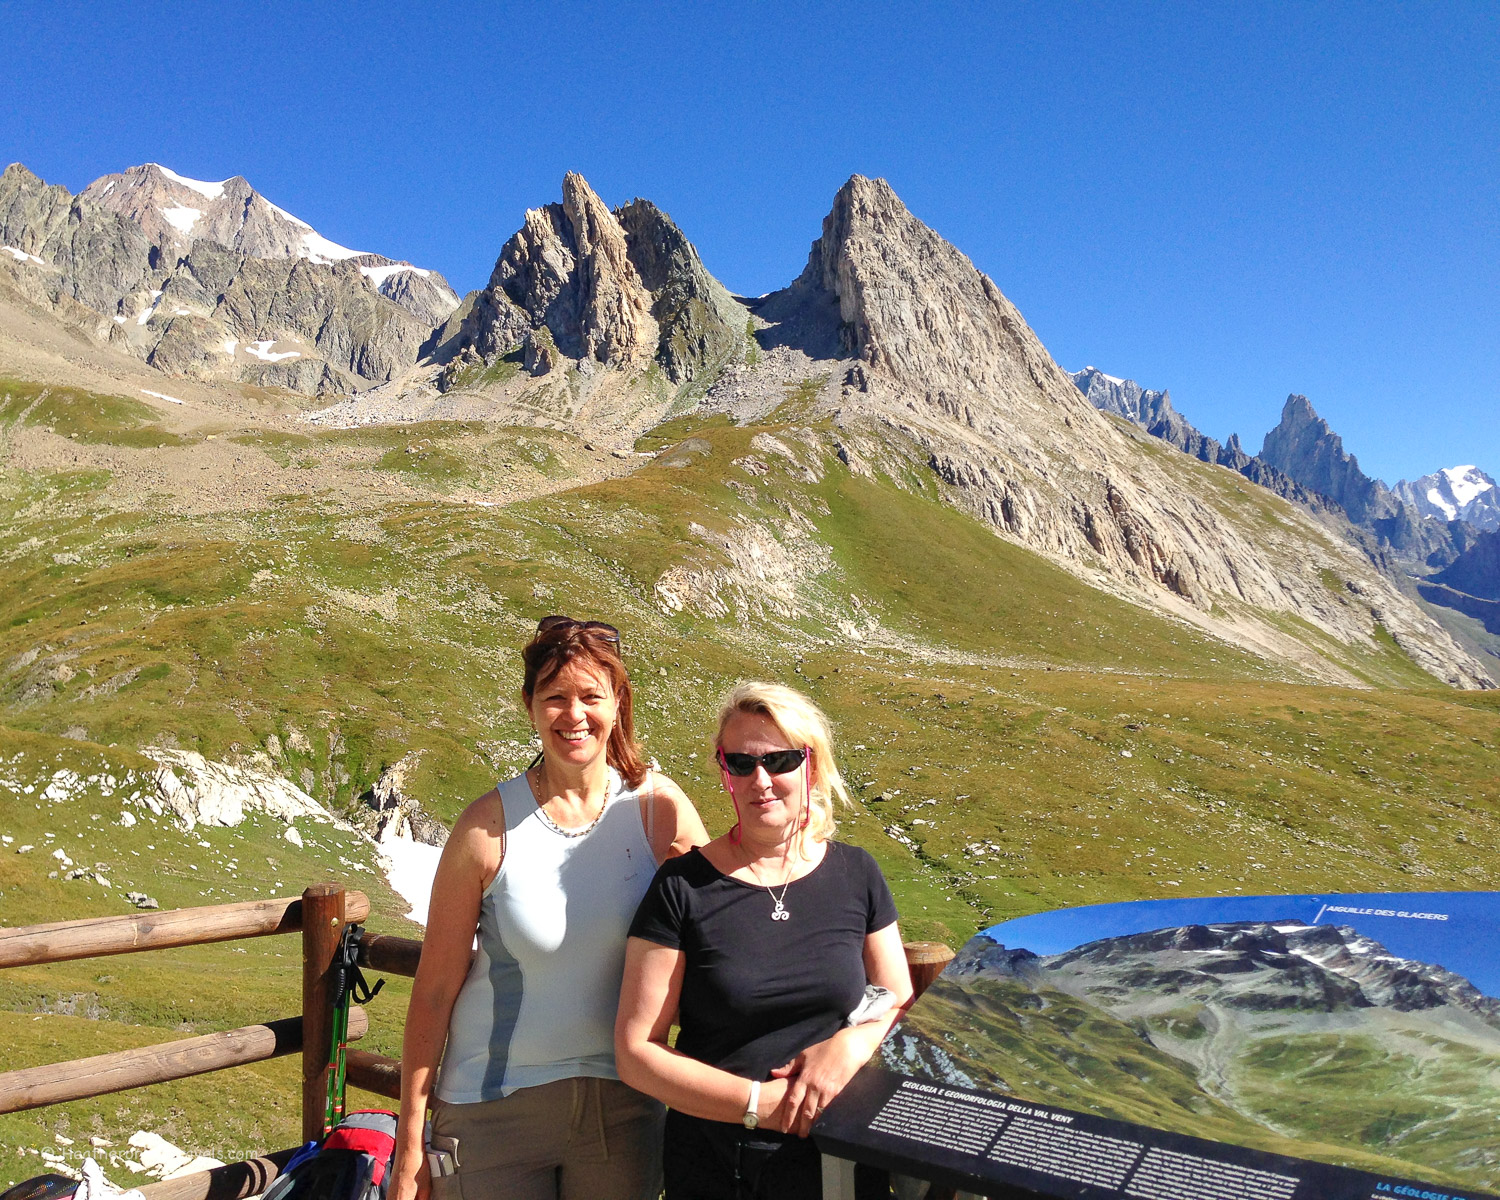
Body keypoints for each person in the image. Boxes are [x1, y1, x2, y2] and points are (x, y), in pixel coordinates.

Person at [389, 615, 710, 1200]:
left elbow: (719, 936)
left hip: (626, 1108)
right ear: (531, 706)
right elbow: (435, 987)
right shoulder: (487, 827)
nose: (574, 714)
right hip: (491, 1111)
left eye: (591, 695)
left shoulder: (660, 811)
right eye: (555, 697)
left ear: (618, 702)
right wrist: (410, 1139)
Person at [616, 681, 912, 1200]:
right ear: (724, 771)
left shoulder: (857, 873)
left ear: (810, 767)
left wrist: (848, 1046)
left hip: (842, 1162)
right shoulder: (683, 886)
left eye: (779, 761)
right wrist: (758, 1104)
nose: (762, 780)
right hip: (719, 1164)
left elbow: (899, 1001)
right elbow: (636, 1051)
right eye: (741, 763)